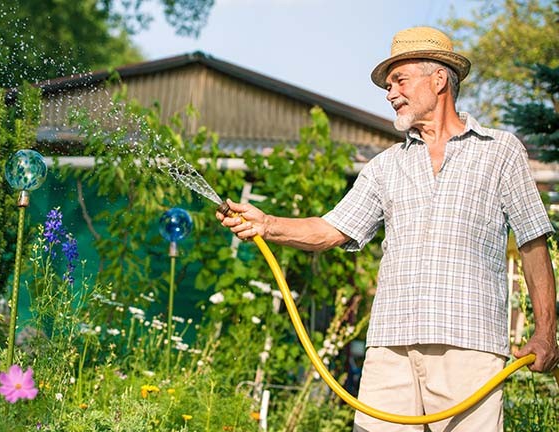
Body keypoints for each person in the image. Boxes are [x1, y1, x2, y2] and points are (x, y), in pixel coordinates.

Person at [216, 26, 559, 431]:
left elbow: (533, 240)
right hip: (390, 348)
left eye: (400, 80)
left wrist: (545, 332)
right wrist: (267, 224)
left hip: (469, 345)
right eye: (388, 84)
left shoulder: (500, 151)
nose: (390, 92)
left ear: (439, 79)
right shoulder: (386, 166)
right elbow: (331, 230)